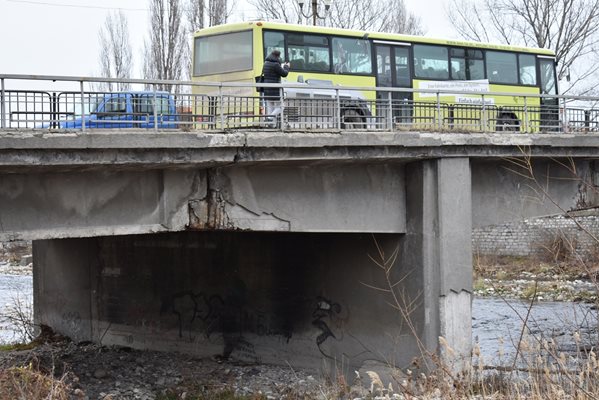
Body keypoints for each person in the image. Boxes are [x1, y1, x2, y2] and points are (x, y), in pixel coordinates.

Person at [261, 49, 290, 127]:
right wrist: (286, 67)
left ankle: (271, 126)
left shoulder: (266, 63)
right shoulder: (275, 64)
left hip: (266, 89)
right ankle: (270, 118)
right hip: (275, 89)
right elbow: (284, 74)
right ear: (278, 56)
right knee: (281, 106)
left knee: (271, 108)